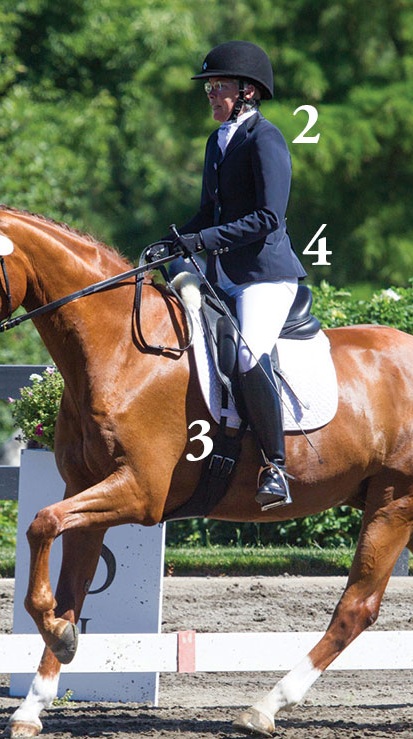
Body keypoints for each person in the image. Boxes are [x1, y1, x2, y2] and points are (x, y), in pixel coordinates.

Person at [158, 40, 306, 511]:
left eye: (218, 86)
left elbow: (268, 217)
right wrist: (176, 239)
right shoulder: (217, 140)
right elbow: (208, 212)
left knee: (246, 355)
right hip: (225, 277)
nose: (210, 93)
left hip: (266, 276)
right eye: (208, 86)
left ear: (247, 91)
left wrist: (203, 242)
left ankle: (275, 466)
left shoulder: (267, 138)